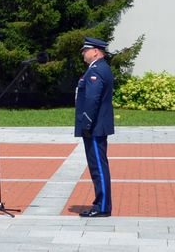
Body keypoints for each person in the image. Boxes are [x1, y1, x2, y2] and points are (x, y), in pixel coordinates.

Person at [75, 37, 115, 218]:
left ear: (96, 52)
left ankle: (103, 205)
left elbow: (92, 99)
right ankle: (101, 203)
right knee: (97, 166)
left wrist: (86, 123)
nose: (83, 53)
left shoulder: (97, 71)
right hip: (97, 125)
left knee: (98, 166)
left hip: (95, 126)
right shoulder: (99, 68)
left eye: (86, 50)